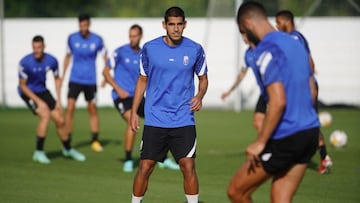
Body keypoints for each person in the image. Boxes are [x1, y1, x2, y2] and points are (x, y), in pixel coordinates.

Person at [227, 1, 320, 202]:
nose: (245, 39)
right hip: (310, 132)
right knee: (280, 199)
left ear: (248, 23)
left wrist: (261, 142)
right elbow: (312, 89)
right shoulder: (295, 43)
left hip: (287, 136)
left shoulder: (266, 50)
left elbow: (278, 101)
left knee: (236, 192)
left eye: (243, 32)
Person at [130, 6, 208, 203]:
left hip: (183, 118)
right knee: (146, 167)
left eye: (179, 24)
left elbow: (203, 78)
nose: (175, 28)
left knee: (188, 166)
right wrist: (133, 112)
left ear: (185, 25)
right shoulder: (149, 48)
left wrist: (199, 95)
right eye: (171, 24)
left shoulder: (195, 49)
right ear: (164, 25)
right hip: (155, 117)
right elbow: (142, 80)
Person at [102, 24, 179, 172]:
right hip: (121, 97)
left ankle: (162, 159)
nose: (132, 39)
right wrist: (118, 88)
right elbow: (105, 72)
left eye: (135, 36)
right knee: (133, 119)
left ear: (140, 36)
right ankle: (128, 159)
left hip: (138, 97)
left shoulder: (146, 53)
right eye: (130, 36)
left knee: (162, 120)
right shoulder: (120, 52)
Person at [275, 10, 333, 174]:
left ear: (286, 21)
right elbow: (310, 61)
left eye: (278, 22)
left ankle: (299, 157)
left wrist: (310, 86)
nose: (277, 26)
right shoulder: (298, 38)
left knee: (301, 122)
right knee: (306, 122)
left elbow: (307, 63)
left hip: (302, 88)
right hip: (301, 87)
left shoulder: (293, 37)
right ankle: (322, 158)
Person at [18, 35, 86, 164]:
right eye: (34, 48)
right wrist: (38, 102)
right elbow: (22, 85)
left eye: (39, 47)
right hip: (27, 92)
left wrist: (59, 101)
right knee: (45, 115)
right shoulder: (25, 62)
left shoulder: (52, 61)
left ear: (44, 46)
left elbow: (57, 79)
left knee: (60, 120)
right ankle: (38, 152)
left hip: (42, 91)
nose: (36, 50)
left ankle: (67, 149)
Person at [61, 13, 107, 152]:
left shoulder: (97, 39)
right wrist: (62, 76)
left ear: (89, 24)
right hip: (75, 79)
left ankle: (95, 140)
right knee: (70, 108)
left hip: (90, 80)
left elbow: (105, 57)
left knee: (92, 109)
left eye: (85, 25)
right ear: (79, 24)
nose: (83, 27)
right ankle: (67, 139)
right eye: (81, 25)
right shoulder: (72, 38)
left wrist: (105, 76)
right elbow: (67, 56)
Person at [221, 39, 265, 134]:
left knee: (275, 122)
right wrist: (230, 90)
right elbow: (242, 74)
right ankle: (267, 145)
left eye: (245, 34)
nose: (244, 37)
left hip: (275, 89)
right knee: (258, 121)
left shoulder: (265, 49)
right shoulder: (248, 54)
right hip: (265, 92)